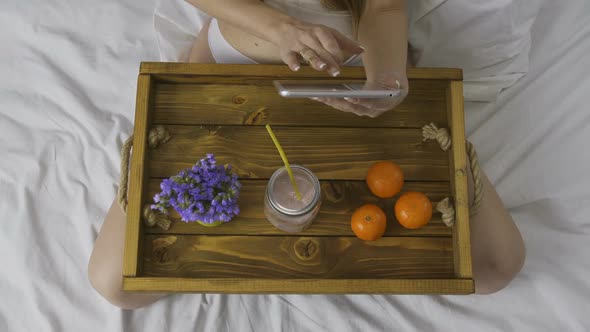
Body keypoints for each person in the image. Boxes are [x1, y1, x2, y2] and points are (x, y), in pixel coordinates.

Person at [88, 0, 525, 309]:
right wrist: (279, 28)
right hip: (237, 54)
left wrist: (388, 78)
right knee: (114, 284)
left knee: (497, 267)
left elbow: (385, 8)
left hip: (352, 73)